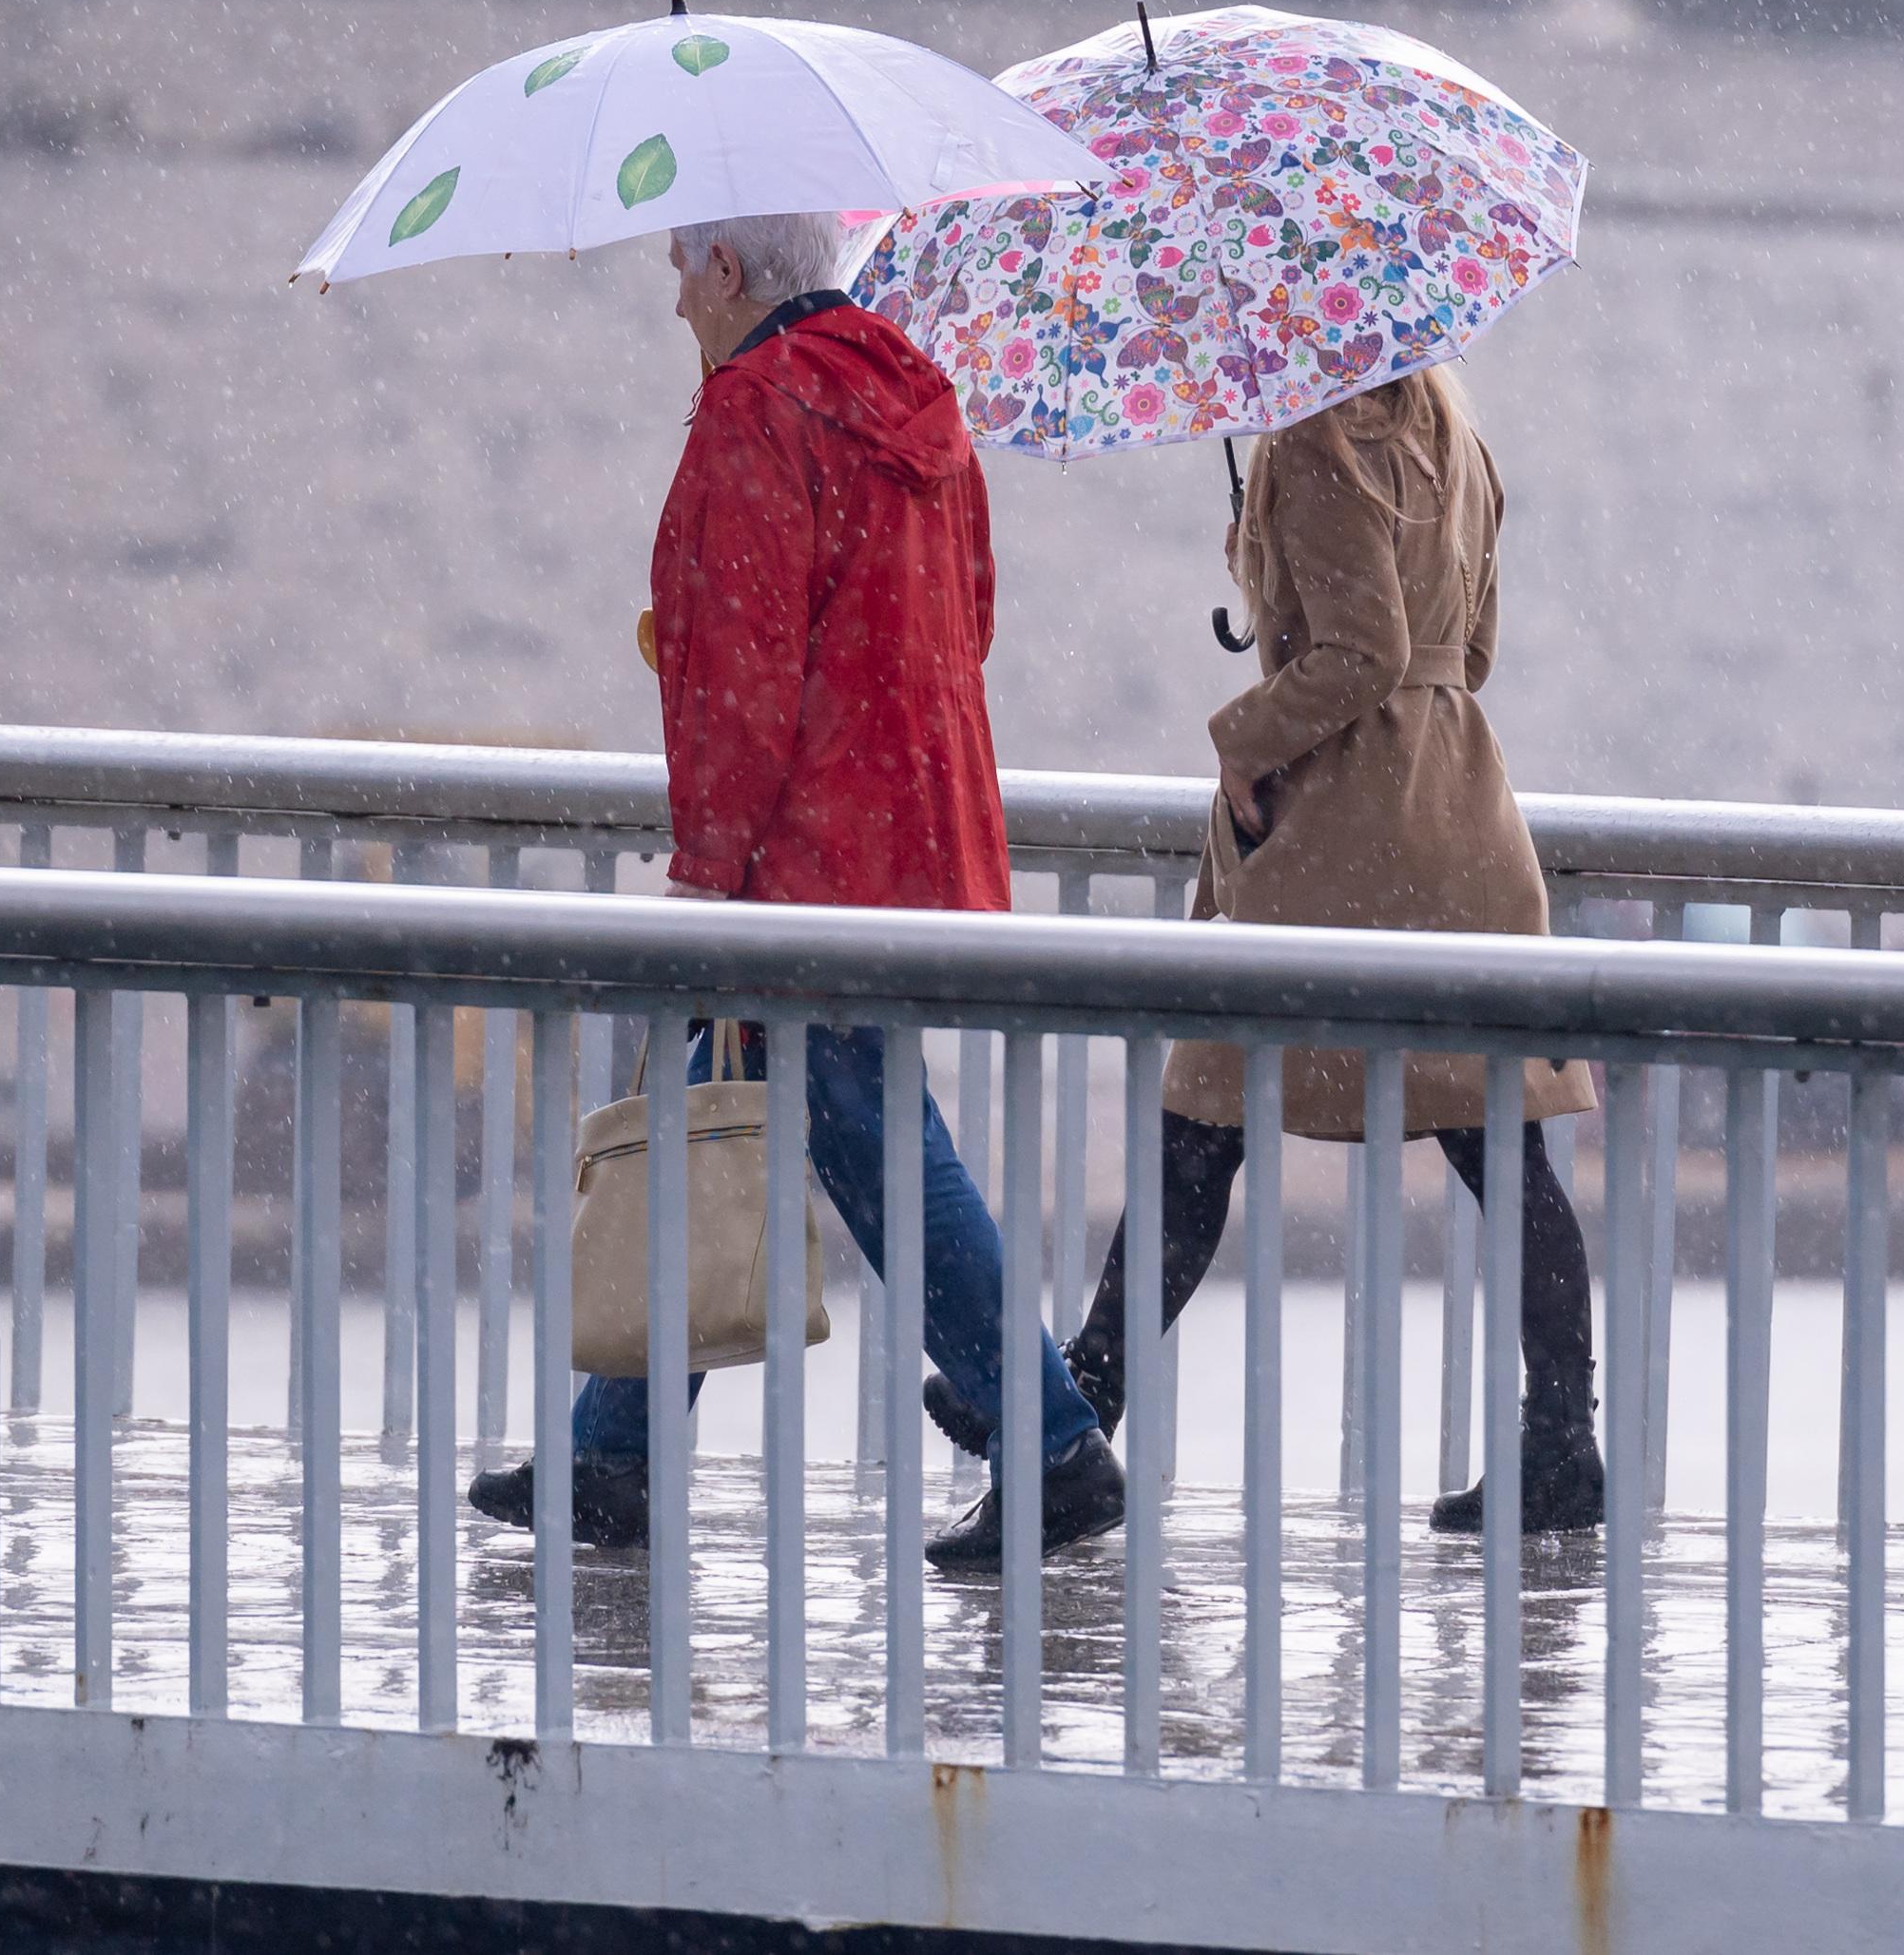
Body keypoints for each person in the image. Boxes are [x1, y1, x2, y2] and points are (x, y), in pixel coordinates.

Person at [468, 209, 1125, 1569]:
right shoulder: (919, 401)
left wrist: (709, 876)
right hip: (916, 843)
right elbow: (972, 619)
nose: (669, 300)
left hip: (803, 870)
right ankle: (613, 1456)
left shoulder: (751, 416)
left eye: (677, 265)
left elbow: (742, 687)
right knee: (715, 1105)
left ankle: (1055, 1444)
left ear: (726, 271)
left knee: (865, 1139)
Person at [921, 363, 1605, 1532]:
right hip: (1459, 813)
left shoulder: (1317, 437)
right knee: (1502, 1142)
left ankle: (1071, 1423)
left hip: (1345, 840)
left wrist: (1243, 733)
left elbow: (1361, 653)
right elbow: (1462, 652)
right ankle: (1560, 1442)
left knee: (1200, 1130)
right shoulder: (1454, 436)